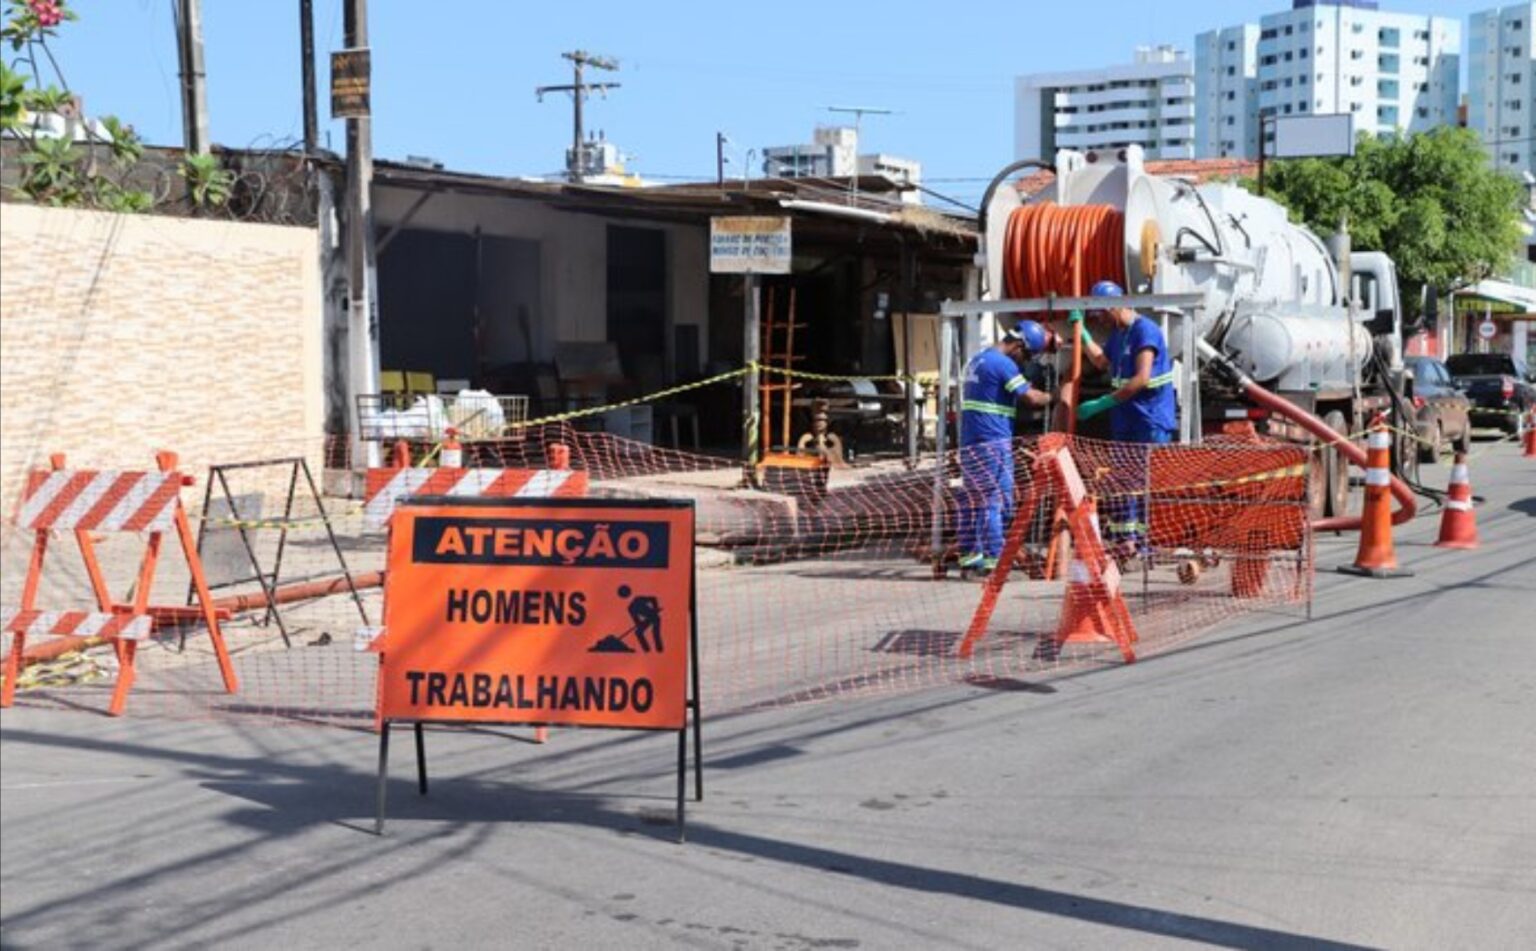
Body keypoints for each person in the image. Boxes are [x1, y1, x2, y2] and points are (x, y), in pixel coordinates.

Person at [1072, 279, 1178, 558]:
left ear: (1115, 306)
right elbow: (1101, 361)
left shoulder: (1145, 331)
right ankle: (1127, 540)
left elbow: (1142, 377)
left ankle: (1143, 542)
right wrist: (1081, 334)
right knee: (1123, 479)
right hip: (1126, 417)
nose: (1101, 320)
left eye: (1102, 314)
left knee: (1142, 480)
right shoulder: (1119, 333)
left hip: (1149, 417)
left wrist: (1103, 403)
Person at [958, 319, 1056, 575]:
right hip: (993, 441)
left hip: (971, 440)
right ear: (1018, 345)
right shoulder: (1003, 364)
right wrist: (1057, 395)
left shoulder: (977, 360)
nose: (1026, 360)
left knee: (974, 497)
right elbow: (1030, 397)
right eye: (1027, 354)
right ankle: (995, 559)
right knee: (996, 500)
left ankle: (970, 555)